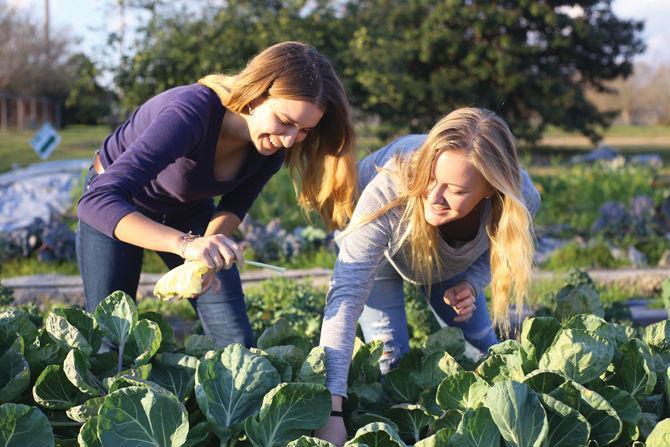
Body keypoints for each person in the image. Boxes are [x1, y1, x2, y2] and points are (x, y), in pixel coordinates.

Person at [76, 41, 357, 349]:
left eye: (304, 131)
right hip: (117, 206)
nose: (290, 141)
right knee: (110, 341)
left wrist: (208, 252)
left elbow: (235, 206)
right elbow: (96, 202)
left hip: (188, 213)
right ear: (255, 94)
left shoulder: (271, 148)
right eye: (286, 122)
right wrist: (186, 245)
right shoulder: (190, 111)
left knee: (236, 342)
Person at [314, 108, 540, 445]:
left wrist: (472, 282)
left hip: (444, 255)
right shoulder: (390, 186)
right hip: (385, 233)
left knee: (484, 341)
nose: (433, 198)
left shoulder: (520, 198)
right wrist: (331, 413)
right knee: (394, 364)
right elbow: (345, 300)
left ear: (490, 190)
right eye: (432, 179)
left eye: (455, 190)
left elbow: (499, 246)